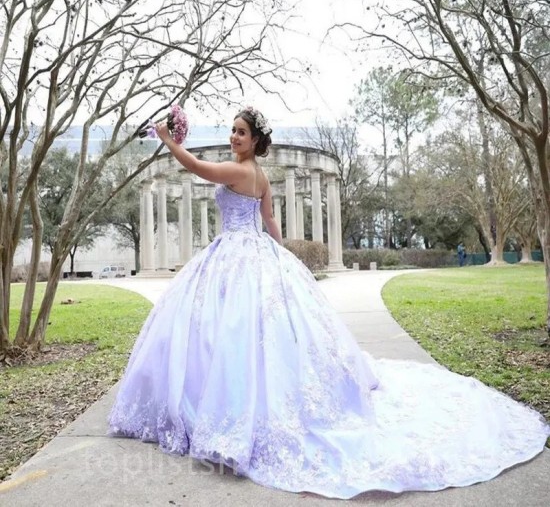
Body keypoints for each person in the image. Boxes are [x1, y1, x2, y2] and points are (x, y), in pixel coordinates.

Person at [109, 107, 549, 499]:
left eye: (240, 132)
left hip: (237, 253)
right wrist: (283, 256)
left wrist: (169, 141)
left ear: (256, 140)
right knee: (232, 331)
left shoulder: (241, 172)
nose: (233, 137)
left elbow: (196, 168)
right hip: (247, 253)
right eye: (232, 130)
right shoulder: (261, 178)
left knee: (235, 332)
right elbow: (269, 220)